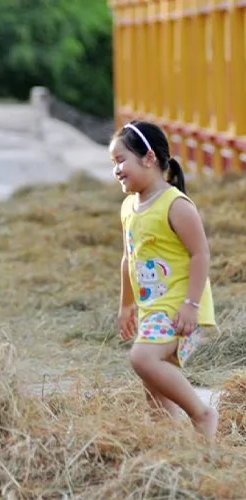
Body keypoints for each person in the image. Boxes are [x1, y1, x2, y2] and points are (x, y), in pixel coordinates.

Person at [112, 120, 218, 441]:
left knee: (143, 358)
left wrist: (191, 305)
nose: (116, 170)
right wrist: (126, 306)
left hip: (179, 308)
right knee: (155, 395)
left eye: (120, 161)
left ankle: (202, 414)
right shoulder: (130, 206)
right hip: (151, 308)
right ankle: (174, 450)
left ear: (148, 158)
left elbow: (201, 255)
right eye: (113, 163)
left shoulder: (176, 205)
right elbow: (129, 259)